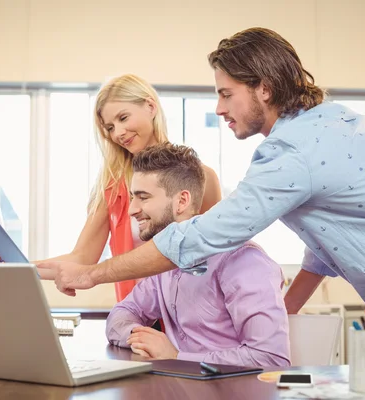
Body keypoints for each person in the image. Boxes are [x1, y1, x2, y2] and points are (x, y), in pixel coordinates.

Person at [39, 27, 365, 364]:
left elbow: (205, 237)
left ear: (264, 89)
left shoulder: (293, 153)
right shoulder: (330, 124)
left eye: (226, 93)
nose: (218, 108)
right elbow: (327, 245)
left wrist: (92, 274)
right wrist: (282, 313)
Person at [0, 74, 222, 302]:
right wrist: (18, 266)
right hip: (138, 318)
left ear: (150, 107)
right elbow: (82, 258)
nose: (118, 133)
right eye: (109, 127)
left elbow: (218, 256)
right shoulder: (111, 187)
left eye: (123, 118)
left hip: (191, 318)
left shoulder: (203, 178)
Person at [106, 142, 290, 367]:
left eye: (143, 197)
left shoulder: (244, 261)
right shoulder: (164, 262)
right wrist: (138, 336)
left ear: (181, 201)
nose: (132, 209)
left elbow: (271, 359)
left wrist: (176, 357)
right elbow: (122, 313)